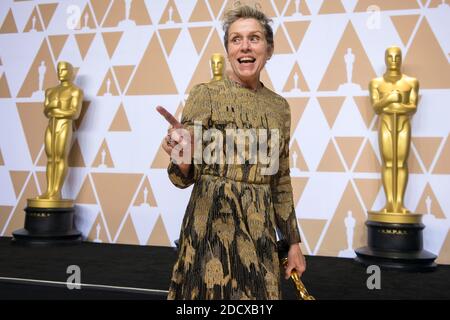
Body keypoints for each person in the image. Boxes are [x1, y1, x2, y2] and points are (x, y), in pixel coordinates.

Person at [157, 5, 305, 300]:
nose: (245, 46)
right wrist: (183, 160)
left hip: (259, 230)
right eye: (236, 39)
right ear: (228, 49)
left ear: (269, 48)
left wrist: (293, 243)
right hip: (209, 229)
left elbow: (281, 180)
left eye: (254, 38)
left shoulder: (279, 107)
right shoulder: (205, 95)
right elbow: (181, 178)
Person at [369, 46, 419, 214]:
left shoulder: (411, 82)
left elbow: (413, 107)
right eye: (390, 57)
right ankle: (390, 203)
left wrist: (399, 105)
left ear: (401, 59)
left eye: (397, 57)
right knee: (389, 163)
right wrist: (389, 98)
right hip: (386, 123)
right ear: (385, 59)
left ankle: (400, 204)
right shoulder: (376, 83)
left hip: (403, 123)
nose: (394, 60)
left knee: (401, 163)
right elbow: (376, 107)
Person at [38, 61, 83, 200]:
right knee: (50, 158)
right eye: (58, 69)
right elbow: (46, 111)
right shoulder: (50, 91)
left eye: (63, 70)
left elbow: (74, 113)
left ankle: (57, 191)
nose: (60, 72)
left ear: (70, 72)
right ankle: (49, 190)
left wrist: (55, 109)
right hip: (51, 126)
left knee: (60, 157)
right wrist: (54, 108)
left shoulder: (75, 91)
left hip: (64, 125)